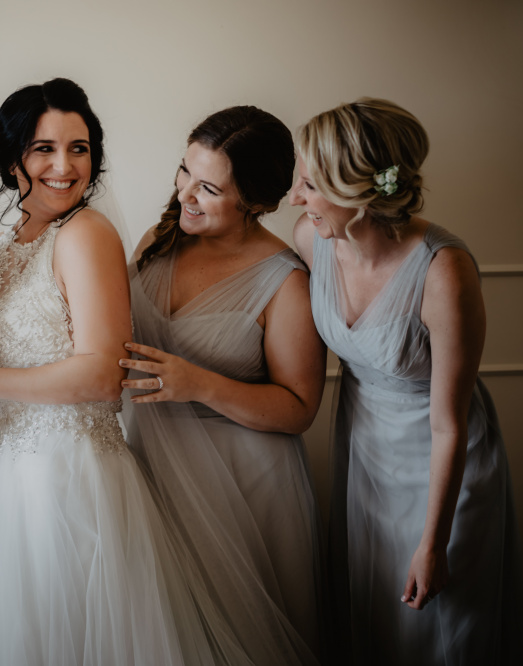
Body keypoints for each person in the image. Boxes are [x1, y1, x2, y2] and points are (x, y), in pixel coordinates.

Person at [0, 78, 231, 666]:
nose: (64, 166)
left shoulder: (87, 235)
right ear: (13, 160)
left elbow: (99, 375)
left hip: (64, 481)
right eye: (44, 148)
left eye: (79, 148)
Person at [290, 98, 523, 664]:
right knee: (374, 615)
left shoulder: (444, 270)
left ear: (360, 192)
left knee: (443, 624)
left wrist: (433, 543)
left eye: (310, 185)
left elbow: (451, 425)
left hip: (440, 462)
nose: (295, 198)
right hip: (363, 453)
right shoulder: (310, 238)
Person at [120, 106, 324, 664]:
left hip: (243, 488)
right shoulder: (155, 243)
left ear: (257, 201)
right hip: (152, 470)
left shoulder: (286, 282)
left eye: (208, 187)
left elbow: (300, 408)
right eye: (185, 172)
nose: (186, 193)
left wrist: (200, 384)